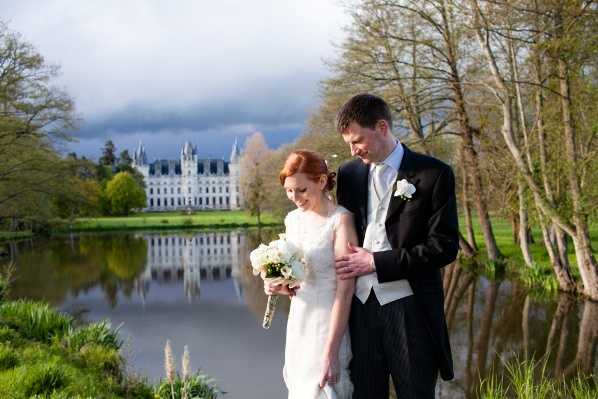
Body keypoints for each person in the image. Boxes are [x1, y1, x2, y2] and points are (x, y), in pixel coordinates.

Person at [334, 93, 459, 399]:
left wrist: (377, 262)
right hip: (360, 310)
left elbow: (444, 246)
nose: (352, 150)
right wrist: (291, 277)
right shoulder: (348, 175)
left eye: (358, 140)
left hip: (411, 308)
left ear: (382, 127)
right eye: (349, 143)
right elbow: (334, 234)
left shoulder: (434, 174)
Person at [265, 150, 358, 399]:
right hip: (299, 321)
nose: (295, 197)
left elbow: (345, 291)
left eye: (301, 190)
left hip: (327, 323)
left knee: (324, 391)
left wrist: (331, 352)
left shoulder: (341, 221)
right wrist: (281, 286)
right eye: (289, 191)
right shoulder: (292, 220)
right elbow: (298, 281)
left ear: (321, 181)